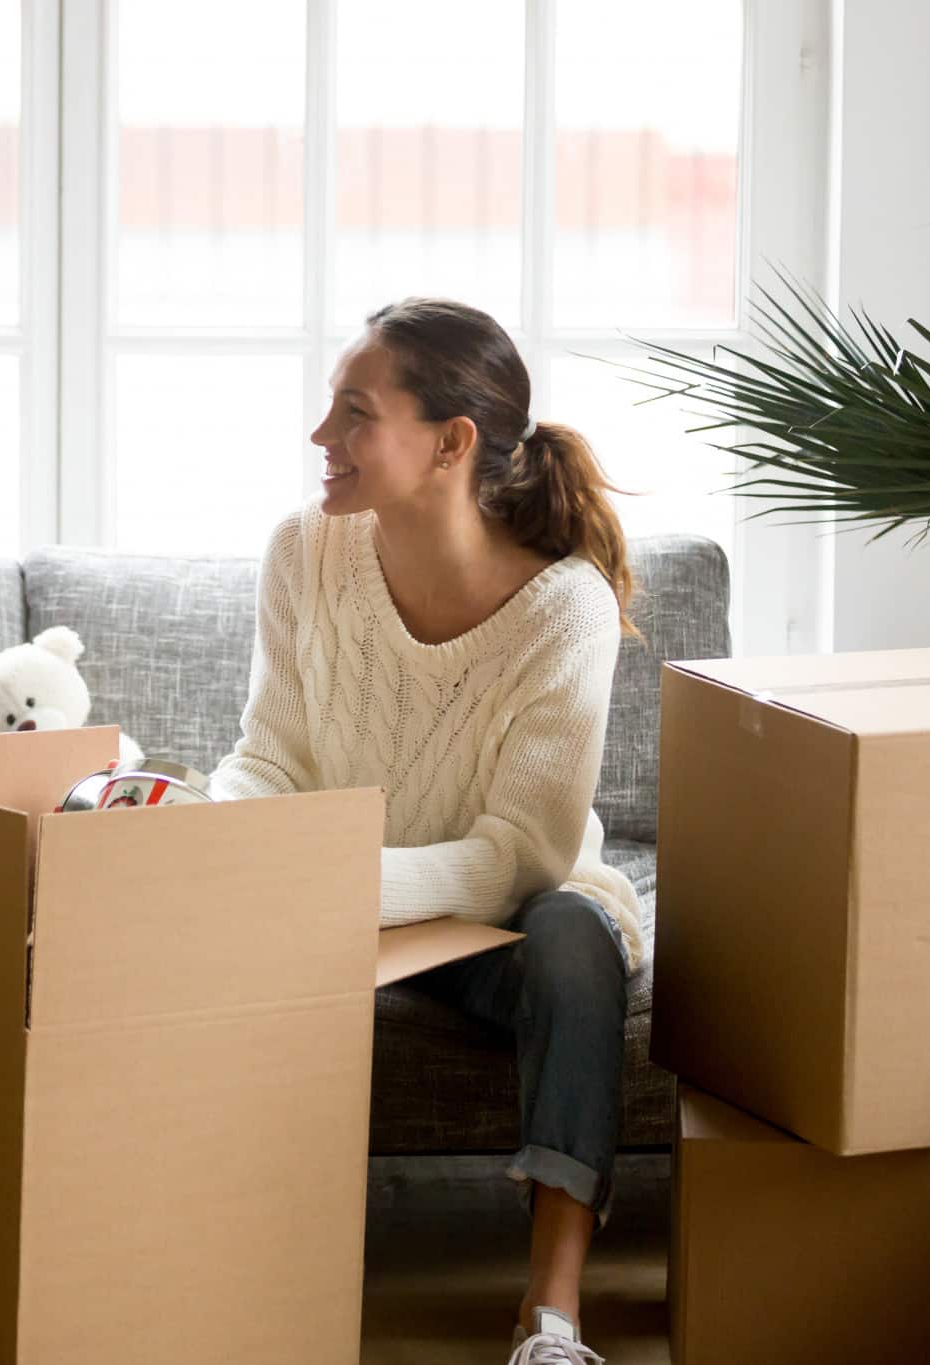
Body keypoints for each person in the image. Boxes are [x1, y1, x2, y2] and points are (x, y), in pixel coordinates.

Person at [207, 297, 644, 1365]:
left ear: (449, 443)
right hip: (334, 905)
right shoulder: (303, 550)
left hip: (493, 927)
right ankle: (204, 1276)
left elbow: (522, 858)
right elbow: (268, 755)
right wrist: (222, 839)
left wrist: (328, 884)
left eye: (353, 413)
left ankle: (550, 1316)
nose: (322, 439)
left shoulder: (564, 607)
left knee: (575, 937)